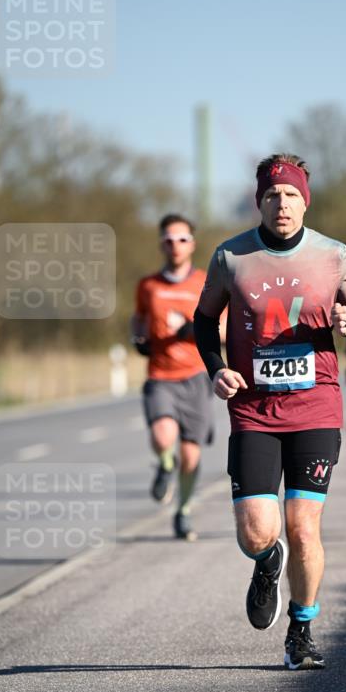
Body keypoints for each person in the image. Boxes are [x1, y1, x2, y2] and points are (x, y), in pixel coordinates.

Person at [194, 153, 346, 670]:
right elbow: (203, 321)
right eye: (273, 195)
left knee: (303, 527)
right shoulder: (231, 257)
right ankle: (266, 558)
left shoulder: (334, 255)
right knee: (257, 531)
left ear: (305, 202)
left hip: (316, 407)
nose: (282, 203)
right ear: (259, 201)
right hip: (252, 410)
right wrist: (216, 369)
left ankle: (301, 631)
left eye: (292, 195)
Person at [131, 213, 217, 541]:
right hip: (160, 374)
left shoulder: (205, 283)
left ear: (192, 244)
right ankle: (165, 464)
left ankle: (183, 511)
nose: (175, 246)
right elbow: (138, 318)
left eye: (182, 239)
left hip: (196, 376)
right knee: (162, 436)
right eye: (169, 240)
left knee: (191, 456)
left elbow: (225, 329)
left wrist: (196, 330)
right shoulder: (148, 285)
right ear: (161, 245)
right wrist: (137, 338)